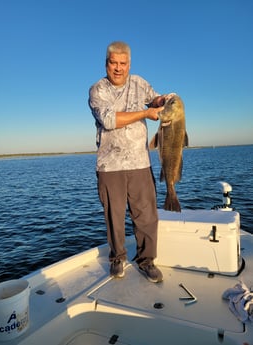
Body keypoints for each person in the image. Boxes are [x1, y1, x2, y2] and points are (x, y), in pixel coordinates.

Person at [88, 41, 169, 283]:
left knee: (146, 216)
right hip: (109, 166)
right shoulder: (97, 90)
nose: (118, 68)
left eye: (123, 63)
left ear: (129, 65)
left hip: (140, 163)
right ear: (106, 64)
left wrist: (160, 101)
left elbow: (154, 100)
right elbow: (110, 121)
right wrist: (145, 113)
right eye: (113, 63)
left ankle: (147, 261)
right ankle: (117, 258)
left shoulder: (139, 83)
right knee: (114, 217)